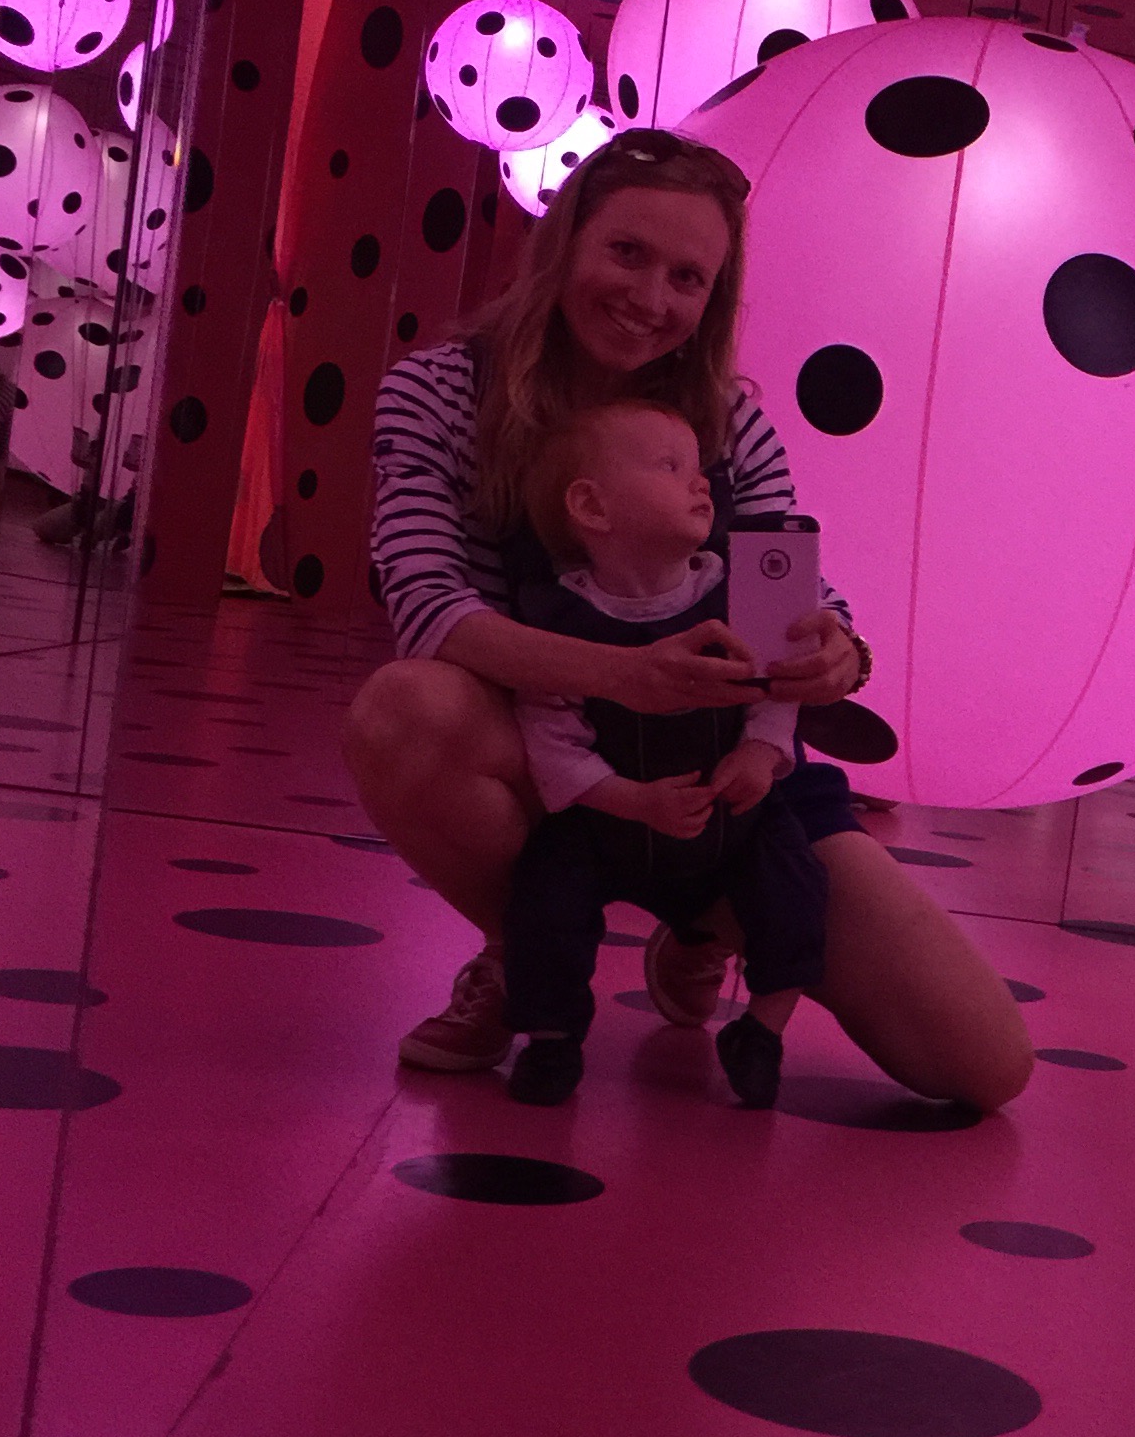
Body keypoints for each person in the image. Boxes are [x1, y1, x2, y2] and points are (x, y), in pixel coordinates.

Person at [344, 128, 1032, 1109]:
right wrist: (626, 677)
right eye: (627, 252)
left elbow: (789, 594)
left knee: (982, 1062)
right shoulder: (440, 392)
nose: (650, 297)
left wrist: (837, 650)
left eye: (687, 278)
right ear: (566, 244)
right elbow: (428, 608)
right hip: (551, 768)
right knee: (403, 711)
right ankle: (521, 956)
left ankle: (701, 924)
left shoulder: (730, 423)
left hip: (724, 788)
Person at [499, 400, 830, 1111]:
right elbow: (552, 740)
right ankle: (551, 1036)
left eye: (699, 467)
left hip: (731, 819)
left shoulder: (738, 591)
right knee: (546, 900)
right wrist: (630, 800)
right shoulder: (559, 617)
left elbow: (777, 687)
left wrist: (760, 754)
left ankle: (762, 1031)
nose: (703, 482)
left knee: (797, 886)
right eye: (670, 467)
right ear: (592, 506)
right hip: (608, 819)